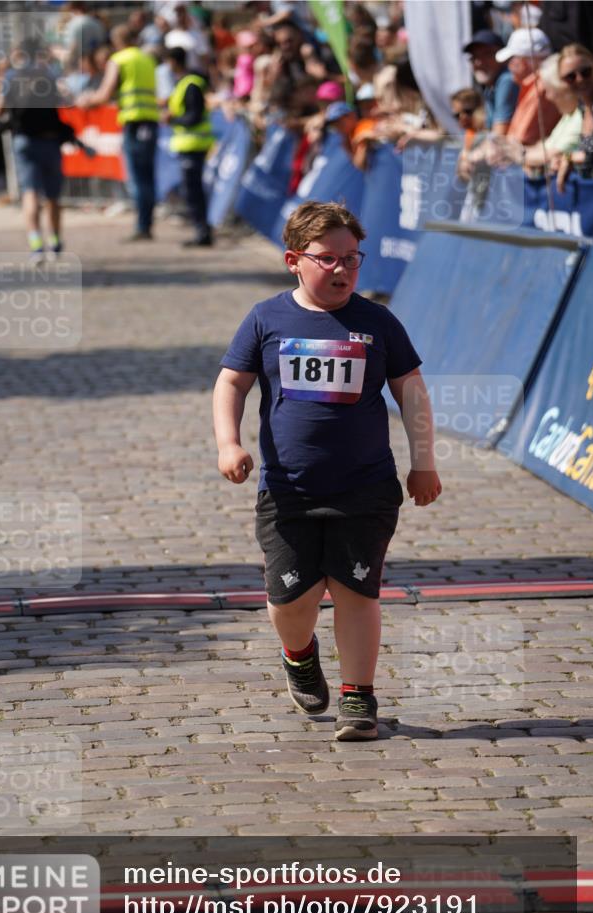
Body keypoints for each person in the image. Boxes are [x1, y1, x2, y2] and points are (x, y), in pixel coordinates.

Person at [212, 201, 441, 741]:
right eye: (327, 259)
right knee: (290, 600)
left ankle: (358, 697)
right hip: (288, 488)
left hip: (366, 487)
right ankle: (299, 654)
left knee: (357, 591)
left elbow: (411, 391)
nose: (341, 270)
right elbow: (231, 383)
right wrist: (229, 443)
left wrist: (423, 462)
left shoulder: (378, 321)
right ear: (295, 259)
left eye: (352, 259)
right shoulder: (267, 318)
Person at [78, 24, 159, 241]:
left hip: (133, 121)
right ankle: (147, 223)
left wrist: (86, 101)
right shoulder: (146, 58)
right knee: (147, 176)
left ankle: (143, 226)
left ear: (116, 42)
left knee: (137, 177)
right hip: (151, 120)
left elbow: (104, 94)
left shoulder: (119, 60)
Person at [0, 39, 67, 260]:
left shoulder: (11, 77)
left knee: (30, 193)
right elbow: (63, 101)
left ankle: (36, 244)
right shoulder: (48, 75)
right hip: (50, 140)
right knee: (53, 195)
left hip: (24, 140)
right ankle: (55, 242)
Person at [163, 46, 214, 247]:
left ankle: (203, 233)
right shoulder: (185, 83)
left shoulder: (191, 84)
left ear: (173, 62)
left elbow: (194, 116)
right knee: (192, 190)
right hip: (189, 145)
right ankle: (201, 231)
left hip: (194, 145)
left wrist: (172, 119)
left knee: (193, 191)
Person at [496, 27, 560, 146]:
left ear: (524, 61)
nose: (508, 67)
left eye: (511, 60)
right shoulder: (535, 85)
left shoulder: (541, 87)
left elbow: (522, 140)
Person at [555, 44, 593, 189]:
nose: (579, 79)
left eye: (585, 72)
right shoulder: (582, 108)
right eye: (570, 76)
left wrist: (569, 158)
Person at [462, 29, 518, 136]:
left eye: (486, 55)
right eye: (474, 57)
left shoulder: (506, 80)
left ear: (502, 56)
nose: (478, 62)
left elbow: (499, 135)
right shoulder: (491, 86)